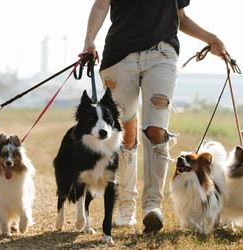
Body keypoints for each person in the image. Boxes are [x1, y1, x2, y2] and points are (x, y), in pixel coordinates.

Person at [82, 0, 225, 233]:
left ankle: (152, 206)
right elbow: (100, 5)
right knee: (126, 134)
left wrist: (210, 37)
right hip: (119, 57)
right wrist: (89, 41)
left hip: (162, 54)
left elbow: (181, 17)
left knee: (156, 130)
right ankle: (126, 205)